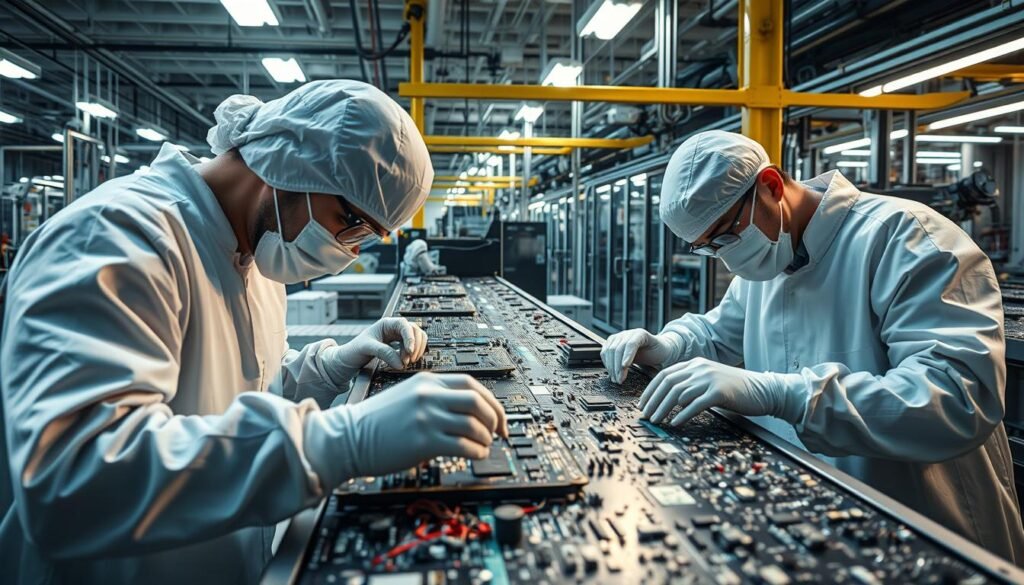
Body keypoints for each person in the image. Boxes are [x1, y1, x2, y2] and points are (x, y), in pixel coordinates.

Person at [0, 80, 507, 584]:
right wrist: (340, 443)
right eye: (350, 222)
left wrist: (328, 367)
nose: (350, 251)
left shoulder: (254, 256)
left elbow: (242, 388)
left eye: (365, 238)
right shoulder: (117, 237)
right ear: (290, 165)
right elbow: (73, 482)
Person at [601, 130, 1024, 562]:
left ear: (770, 185)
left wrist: (783, 394)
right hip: (822, 520)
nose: (726, 258)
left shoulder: (907, 238)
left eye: (726, 236)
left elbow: (956, 398)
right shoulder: (766, 264)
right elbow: (718, 333)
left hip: (931, 526)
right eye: (708, 249)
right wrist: (664, 345)